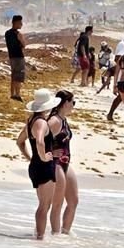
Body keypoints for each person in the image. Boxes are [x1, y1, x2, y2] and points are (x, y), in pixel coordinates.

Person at [16, 88, 56, 239]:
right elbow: (40, 141)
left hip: (35, 165)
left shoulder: (30, 121)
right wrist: (44, 157)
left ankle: (38, 234)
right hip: (44, 166)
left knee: (43, 204)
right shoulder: (41, 123)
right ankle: (40, 237)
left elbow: (19, 142)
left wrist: (30, 158)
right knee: (45, 205)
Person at [45, 91, 80, 234]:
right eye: (73, 102)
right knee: (57, 204)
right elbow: (39, 140)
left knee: (73, 201)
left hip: (65, 163)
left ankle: (65, 233)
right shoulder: (54, 121)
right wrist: (51, 153)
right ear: (65, 102)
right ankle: (55, 234)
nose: (73, 106)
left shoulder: (63, 119)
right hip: (55, 164)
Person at [5, 15, 27, 102]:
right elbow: (24, 45)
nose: (21, 24)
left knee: (13, 76)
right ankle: (17, 94)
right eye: (20, 23)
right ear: (16, 23)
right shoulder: (18, 34)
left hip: (11, 57)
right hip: (19, 57)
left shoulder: (7, 33)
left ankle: (12, 94)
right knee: (18, 77)